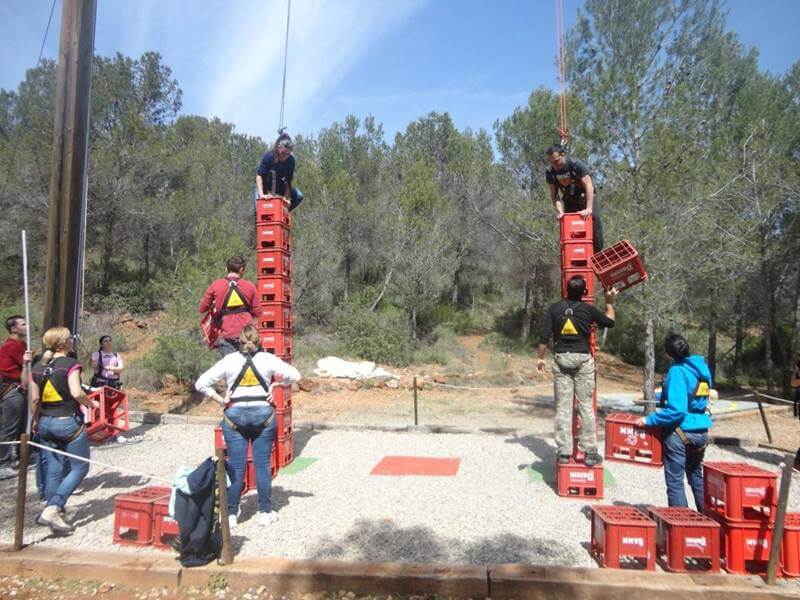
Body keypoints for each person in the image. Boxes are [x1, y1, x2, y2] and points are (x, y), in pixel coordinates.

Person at [194, 325, 301, 527]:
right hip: (264, 416)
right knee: (262, 465)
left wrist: (221, 400)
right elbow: (296, 376)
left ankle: (232, 514)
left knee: (236, 466)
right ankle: (265, 511)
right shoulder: (267, 359)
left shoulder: (229, 360)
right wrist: (276, 385)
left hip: (234, 417)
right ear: (259, 341)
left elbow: (201, 383)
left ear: (239, 342)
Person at [537, 276, 617, 466]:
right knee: (586, 407)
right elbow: (610, 322)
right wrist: (609, 302)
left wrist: (540, 357)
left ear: (565, 289)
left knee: (563, 409)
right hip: (583, 362)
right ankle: (589, 452)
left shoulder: (554, 309)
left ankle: (564, 453)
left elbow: (544, 336)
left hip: (561, 361)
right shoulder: (588, 310)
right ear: (584, 293)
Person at [30, 326, 98, 535]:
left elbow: (34, 399)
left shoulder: (37, 367)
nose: (72, 341)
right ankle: (53, 509)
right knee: (80, 467)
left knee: (53, 468)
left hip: (45, 422)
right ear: (64, 343)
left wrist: (35, 420)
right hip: (67, 421)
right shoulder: (70, 364)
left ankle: (53, 510)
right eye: (70, 338)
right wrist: (91, 404)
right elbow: (76, 392)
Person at [636, 332, 712, 509]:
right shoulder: (701, 369)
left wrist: (650, 420)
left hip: (681, 432)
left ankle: (682, 529)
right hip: (701, 431)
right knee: (696, 476)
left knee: (675, 482)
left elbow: (677, 410)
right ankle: (709, 520)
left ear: (669, 354)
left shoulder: (678, 371)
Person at [545, 145, 604, 251]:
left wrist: (589, 209)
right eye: (552, 162)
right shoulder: (550, 172)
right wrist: (560, 212)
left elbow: (589, 185)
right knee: (572, 230)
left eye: (557, 161)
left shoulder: (575, 164)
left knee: (594, 221)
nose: (555, 165)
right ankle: (578, 259)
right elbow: (554, 194)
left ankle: (597, 253)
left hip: (585, 198)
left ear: (563, 155)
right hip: (569, 200)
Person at [199, 256, 260, 357]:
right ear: (241, 270)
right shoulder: (250, 286)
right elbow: (258, 312)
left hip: (226, 335)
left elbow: (202, 309)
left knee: (230, 370)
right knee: (247, 369)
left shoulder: (216, 285)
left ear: (226, 269)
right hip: (247, 336)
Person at [0, 315, 33, 480]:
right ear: (14, 328)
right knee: (9, 428)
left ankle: (23, 456)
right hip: (13, 389)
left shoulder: (23, 345)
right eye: (23, 324)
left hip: (22, 388)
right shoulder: (9, 347)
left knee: (23, 425)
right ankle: (3, 464)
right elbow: (7, 370)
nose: (27, 326)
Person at [255, 132, 304, 211]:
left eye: (288, 154)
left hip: (278, 184)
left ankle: (282, 212)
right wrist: (261, 195)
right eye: (283, 153)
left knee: (298, 196)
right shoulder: (269, 156)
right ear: (278, 148)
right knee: (259, 209)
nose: (284, 156)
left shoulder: (291, 161)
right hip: (264, 184)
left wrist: (286, 199)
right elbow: (259, 176)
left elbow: (288, 183)